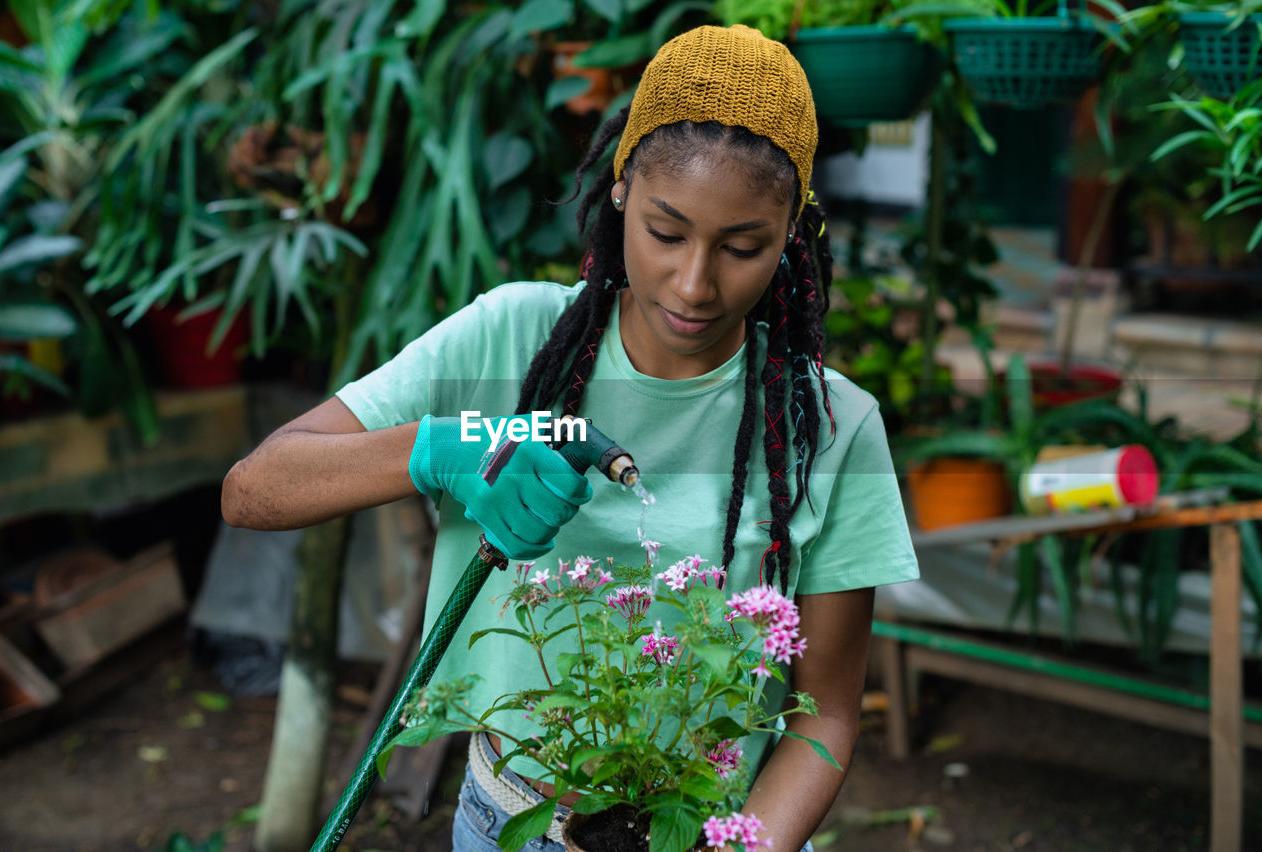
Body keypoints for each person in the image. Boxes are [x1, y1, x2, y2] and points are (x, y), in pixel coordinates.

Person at [221, 23, 918, 852]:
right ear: (620, 189)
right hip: (509, 820)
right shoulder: (508, 339)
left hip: (715, 834)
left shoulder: (828, 427)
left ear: (791, 236)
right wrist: (440, 448)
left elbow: (827, 715)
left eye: (742, 248)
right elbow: (254, 489)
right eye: (667, 233)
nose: (695, 284)